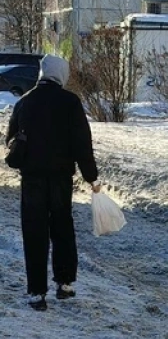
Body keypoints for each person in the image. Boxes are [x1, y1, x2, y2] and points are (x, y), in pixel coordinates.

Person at [5, 54, 100, 311]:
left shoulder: (25, 102)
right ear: (62, 74)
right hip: (60, 178)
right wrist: (91, 176)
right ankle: (65, 283)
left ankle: (37, 292)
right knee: (62, 228)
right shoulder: (70, 102)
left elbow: (10, 139)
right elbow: (83, 143)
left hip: (32, 178)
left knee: (34, 232)